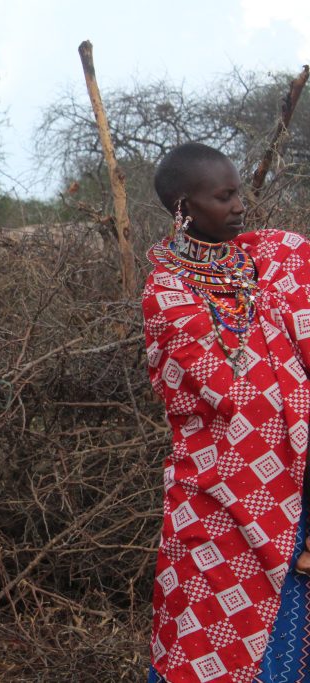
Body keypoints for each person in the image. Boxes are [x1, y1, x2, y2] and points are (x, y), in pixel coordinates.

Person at [143, 142, 310, 682]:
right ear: (183, 208)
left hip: (294, 492)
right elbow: (231, 393)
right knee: (204, 636)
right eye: (225, 196)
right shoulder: (168, 291)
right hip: (214, 499)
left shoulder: (276, 260)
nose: (240, 206)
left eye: (238, 192)